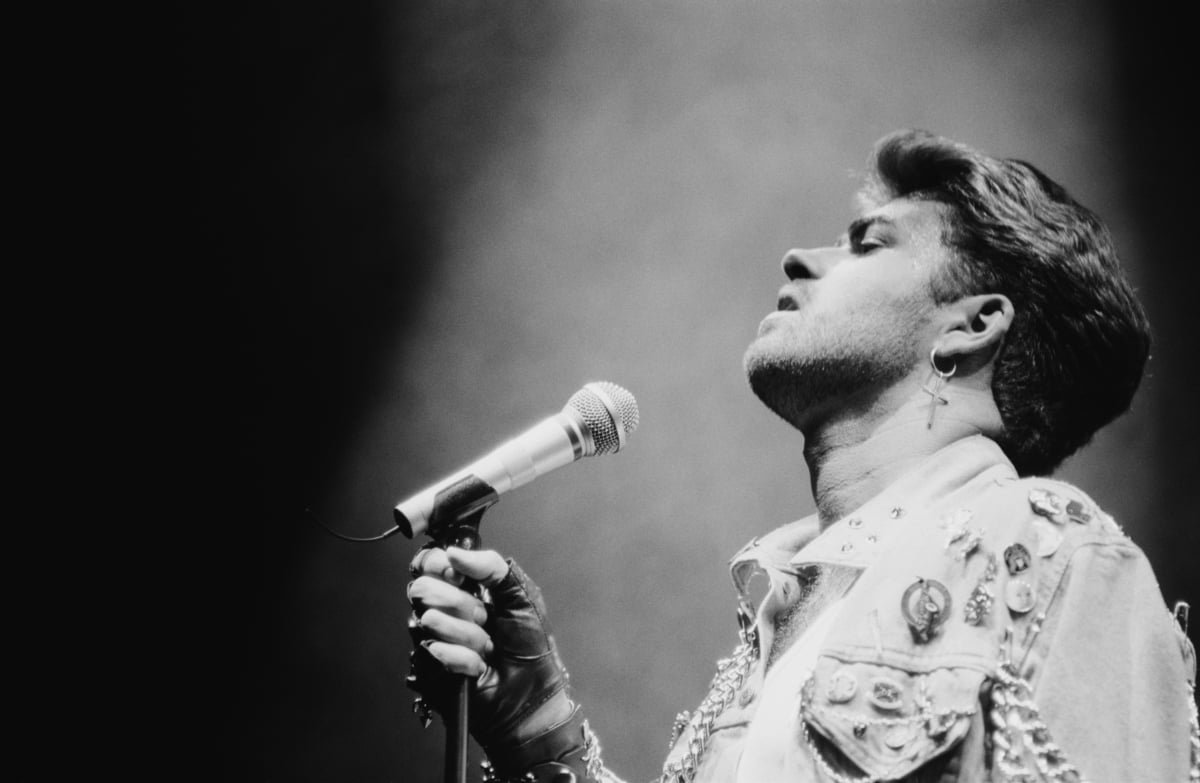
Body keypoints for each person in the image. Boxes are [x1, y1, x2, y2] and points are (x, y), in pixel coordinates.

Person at [404, 130, 1198, 783]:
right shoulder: (784, 610)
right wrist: (540, 731)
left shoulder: (1057, 552)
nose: (797, 256)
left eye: (867, 242)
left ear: (972, 324)